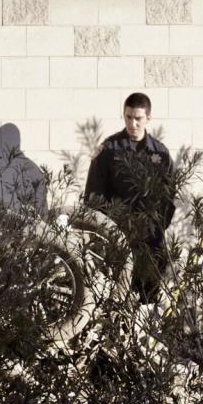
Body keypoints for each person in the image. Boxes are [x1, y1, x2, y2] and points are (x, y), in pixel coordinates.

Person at [84, 93, 176, 302]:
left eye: (138, 119)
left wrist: (155, 228)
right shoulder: (109, 150)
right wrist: (105, 232)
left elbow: (168, 198)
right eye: (128, 117)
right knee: (115, 299)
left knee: (148, 300)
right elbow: (93, 197)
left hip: (150, 242)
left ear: (148, 119)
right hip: (117, 237)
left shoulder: (160, 153)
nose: (133, 124)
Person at [0, 123, 48, 214]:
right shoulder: (34, 168)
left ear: (5, 148)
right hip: (37, 225)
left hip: (14, 225)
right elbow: (42, 209)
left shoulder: (8, 172)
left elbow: (3, 206)